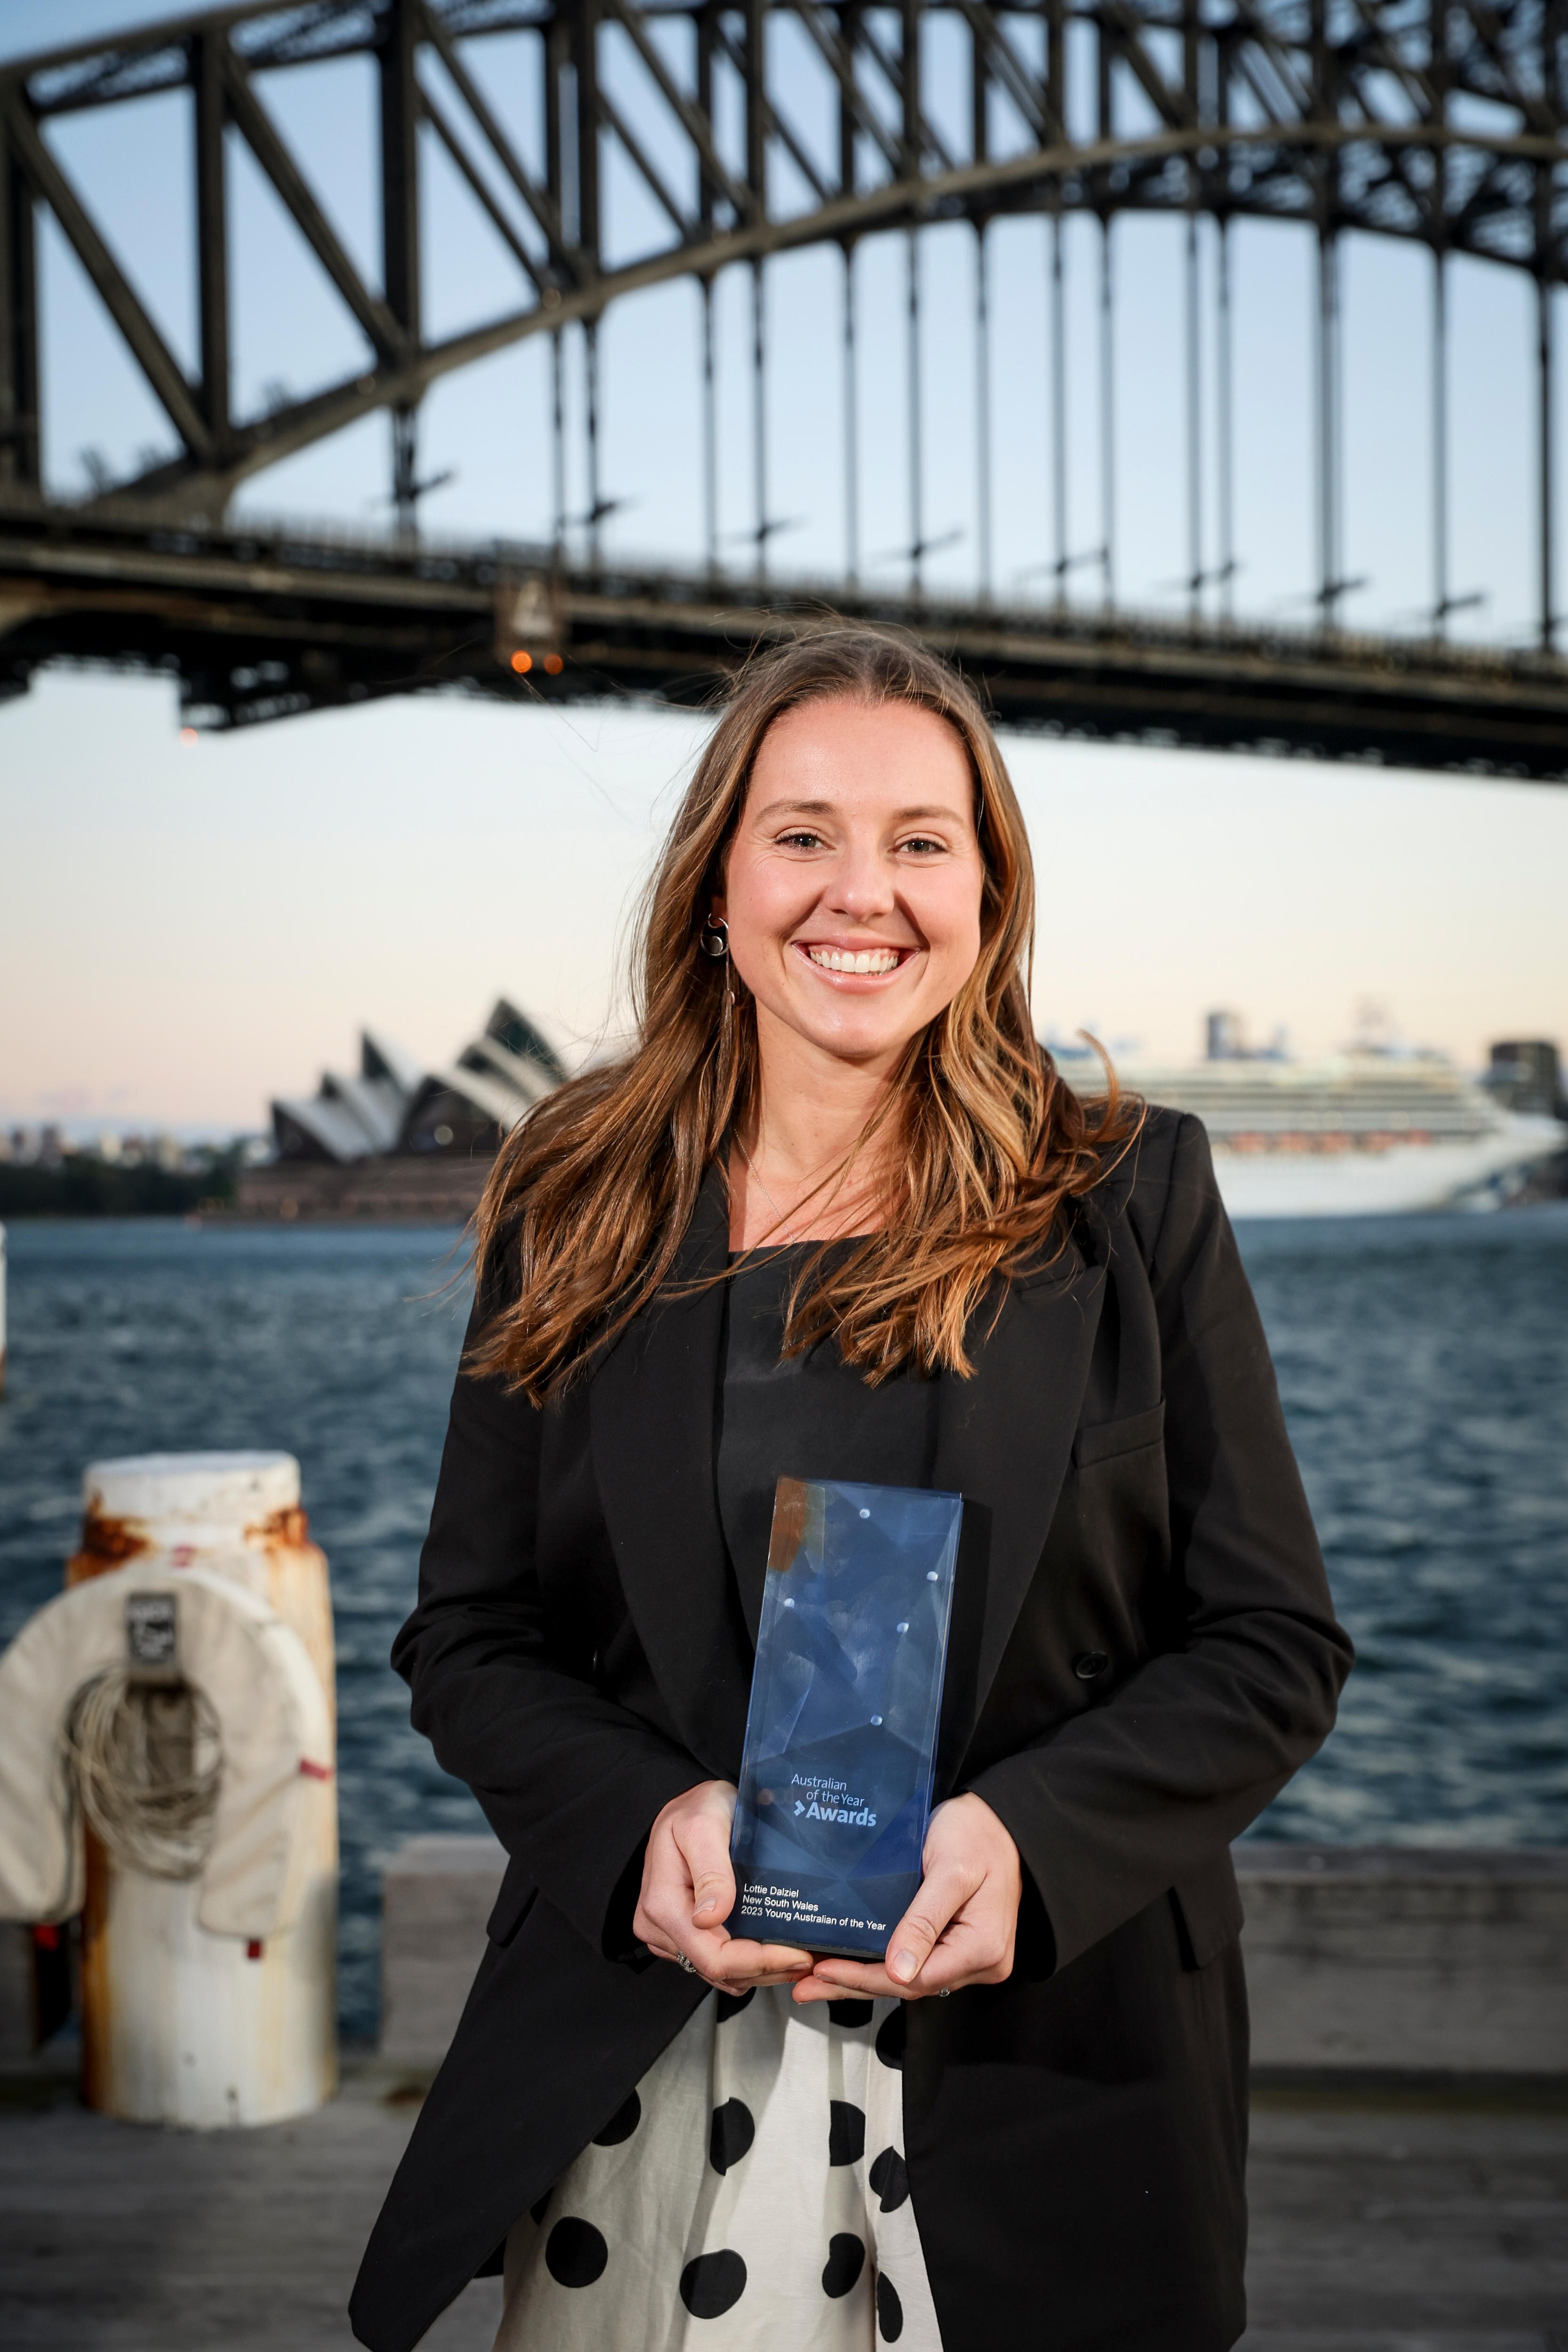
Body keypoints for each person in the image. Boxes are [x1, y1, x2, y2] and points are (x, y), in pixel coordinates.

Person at [350, 626, 1352, 2352]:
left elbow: (1270, 1644)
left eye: (920, 841)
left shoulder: (1132, 1199)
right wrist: (638, 1822)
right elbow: (470, 1631)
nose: (860, 893)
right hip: (649, 2073)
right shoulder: (574, 1198)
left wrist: (1030, 1842)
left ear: (988, 894)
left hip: (1045, 2064)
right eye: (803, 834)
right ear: (718, 885)